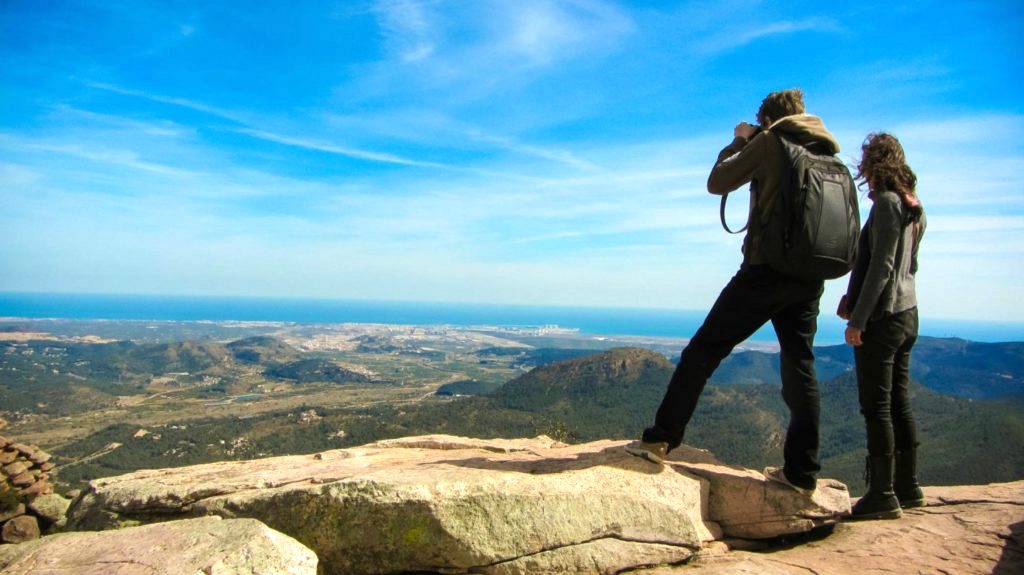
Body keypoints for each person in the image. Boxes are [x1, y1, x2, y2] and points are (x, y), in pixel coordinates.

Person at [627, 88, 842, 494]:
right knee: (801, 366)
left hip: (765, 271)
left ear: (767, 118)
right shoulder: (827, 155)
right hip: (809, 276)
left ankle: (660, 439)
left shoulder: (771, 141)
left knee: (703, 351)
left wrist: (740, 140)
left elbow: (718, 181)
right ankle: (802, 473)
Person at [838, 132, 926, 519]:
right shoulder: (915, 206)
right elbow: (910, 265)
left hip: (885, 319)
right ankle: (908, 487)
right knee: (899, 403)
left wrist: (859, 319)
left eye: (867, 160)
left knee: (877, 408)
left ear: (875, 163)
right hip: (909, 313)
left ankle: (883, 494)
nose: (864, 169)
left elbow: (882, 267)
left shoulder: (888, 204)